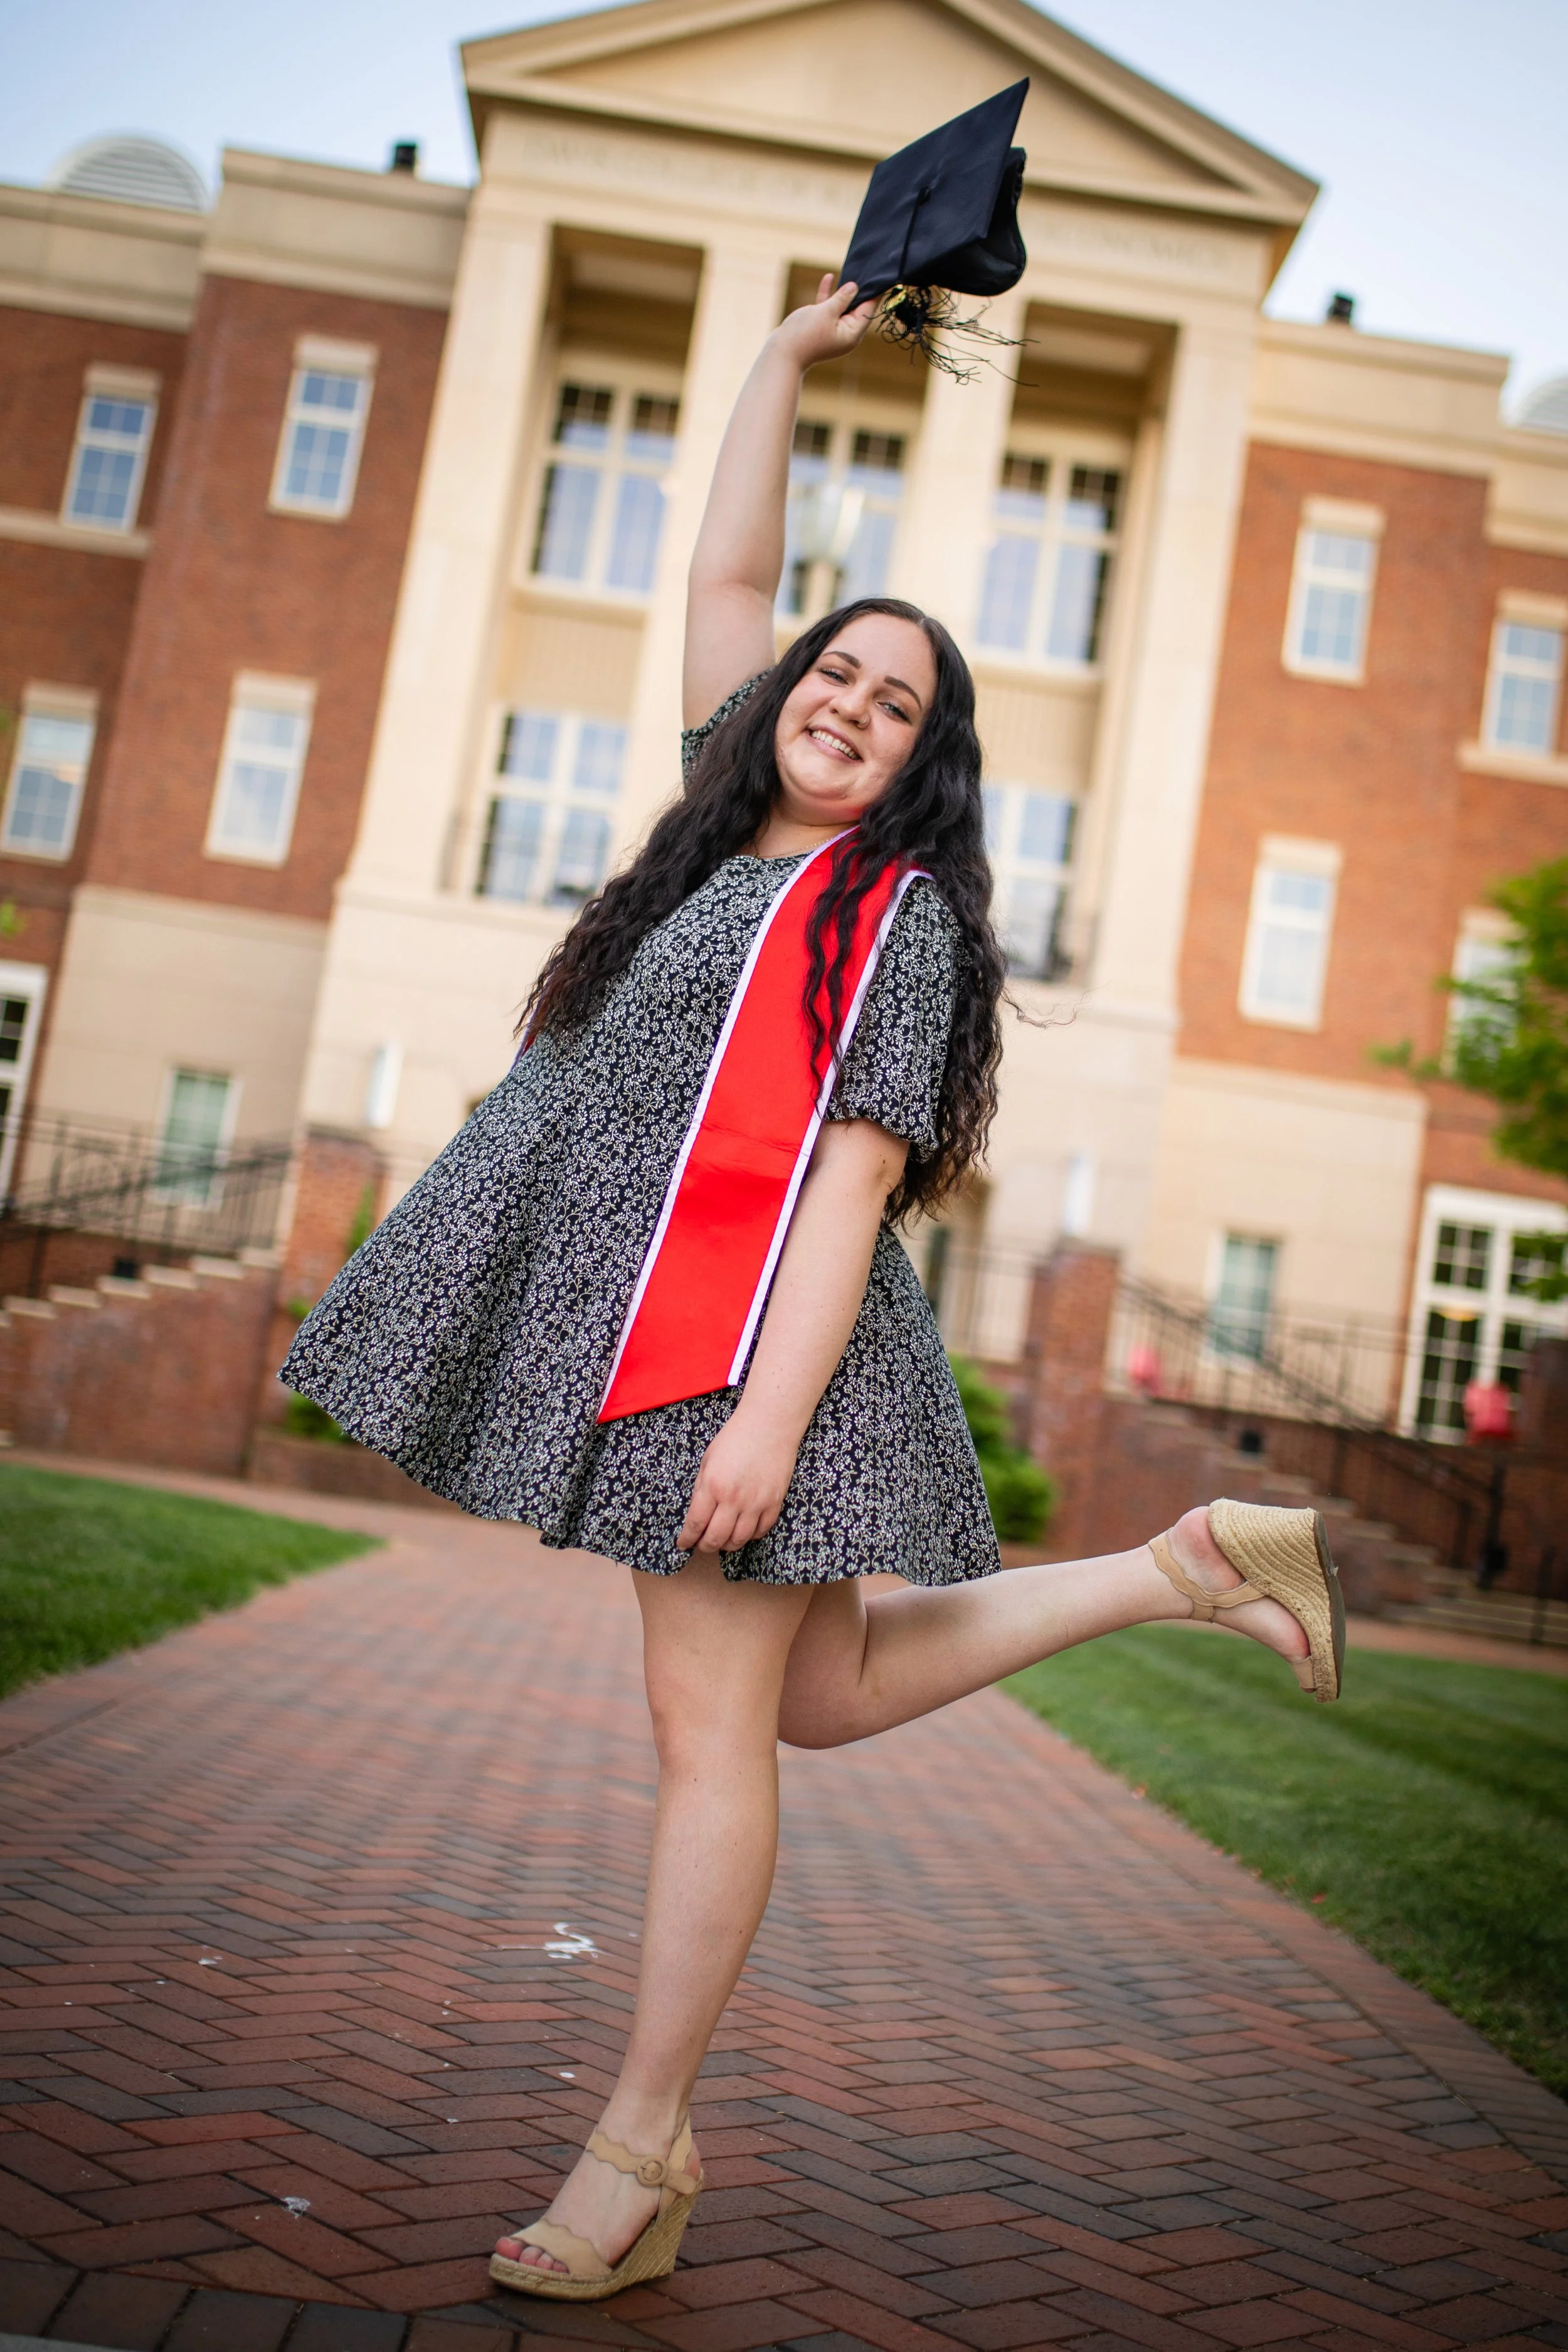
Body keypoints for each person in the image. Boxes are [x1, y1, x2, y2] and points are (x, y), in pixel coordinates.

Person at [282, 275, 1343, 2306]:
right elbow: (733, 563)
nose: (845, 706)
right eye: (832, 674)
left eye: (893, 707)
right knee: (820, 1701)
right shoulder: (719, 827)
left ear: (924, 765)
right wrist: (779, 354)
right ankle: (1190, 1560)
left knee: (716, 1740)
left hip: (742, 1339)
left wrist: (760, 1422)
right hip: (672, 1320)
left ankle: (638, 2144)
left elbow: (852, 1177)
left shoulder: (894, 915)